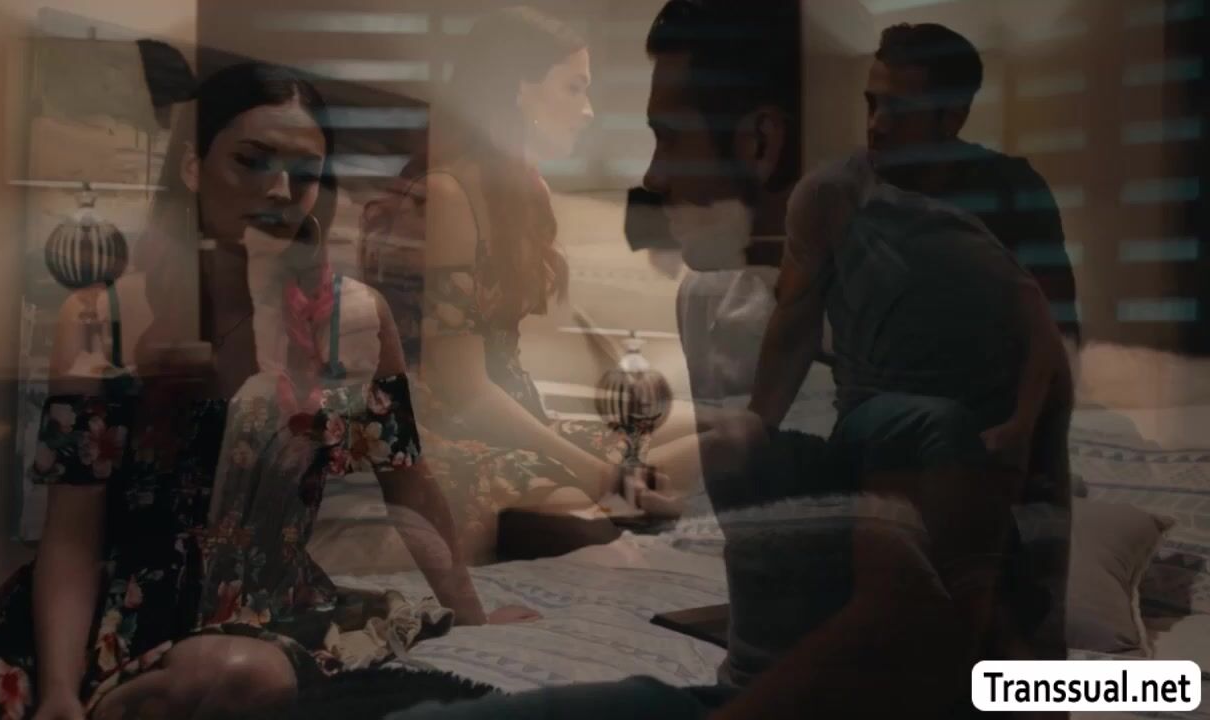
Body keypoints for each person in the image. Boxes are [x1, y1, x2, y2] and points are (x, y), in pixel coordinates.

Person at [385, 1, 1072, 718]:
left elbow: (913, 624)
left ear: (762, 143)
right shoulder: (728, 302)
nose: (651, 176)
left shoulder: (924, 302)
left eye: (670, 136)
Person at [0, 61, 531, 720]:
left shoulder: (354, 320)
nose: (280, 190)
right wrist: (57, 693)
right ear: (193, 166)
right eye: (251, 160)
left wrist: (472, 615)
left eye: (304, 173)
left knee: (241, 676)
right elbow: (72, 534)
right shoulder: (105, 318)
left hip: (274, 611)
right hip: (111, 616)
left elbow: (406, 485)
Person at [362, 6, 619, 558]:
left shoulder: (526, 191)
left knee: (720, 442)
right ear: (519, 89)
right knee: (592, 525)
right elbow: (462, 389)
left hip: (514, 411)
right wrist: (598, 474)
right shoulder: (447, 195)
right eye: (574, 88)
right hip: (444, 428)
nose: (589, 111)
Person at [865, 22, 1082, 346]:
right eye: (872, 104)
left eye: (899, 109)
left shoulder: (1012, 191)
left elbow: (1059, 334)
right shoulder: (853, 191)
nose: (876, 125)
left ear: (952, 118)